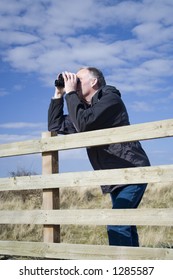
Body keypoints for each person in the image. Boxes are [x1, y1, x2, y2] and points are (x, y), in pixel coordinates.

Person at [48, 67, 150, 247]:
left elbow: (84, 124)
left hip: (132, 171)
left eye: (78, 80)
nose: (75, 83)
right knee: (126, 223)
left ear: (94, 81)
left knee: (117, 223)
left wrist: (71, 93)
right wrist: (59, 93)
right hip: (113, 177)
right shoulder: (85, 111)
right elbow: (55, 125)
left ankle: (121, 269)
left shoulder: (111, 100)